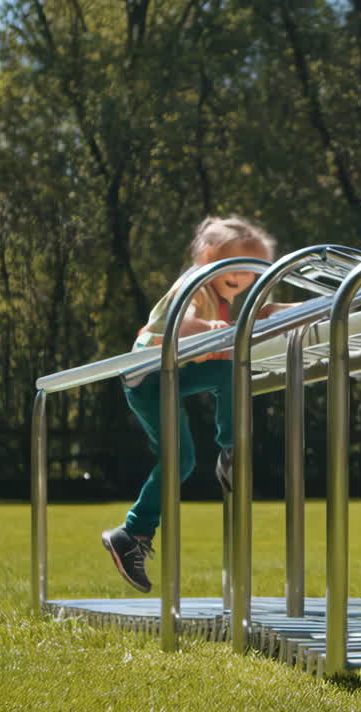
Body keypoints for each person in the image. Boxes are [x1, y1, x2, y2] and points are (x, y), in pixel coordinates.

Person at [101, 216, 284, 593]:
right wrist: (211, 330)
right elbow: (181, 325)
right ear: (208, 258)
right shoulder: (195, 284)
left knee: (228, 371)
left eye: (249, 273)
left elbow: (261, 313)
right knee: (180, 459)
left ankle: (231, 449)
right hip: (148, 377)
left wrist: (292, 311)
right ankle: (131, 533)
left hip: (172, 372)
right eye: (234, 269)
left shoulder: (220, 293)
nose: (241, 280)